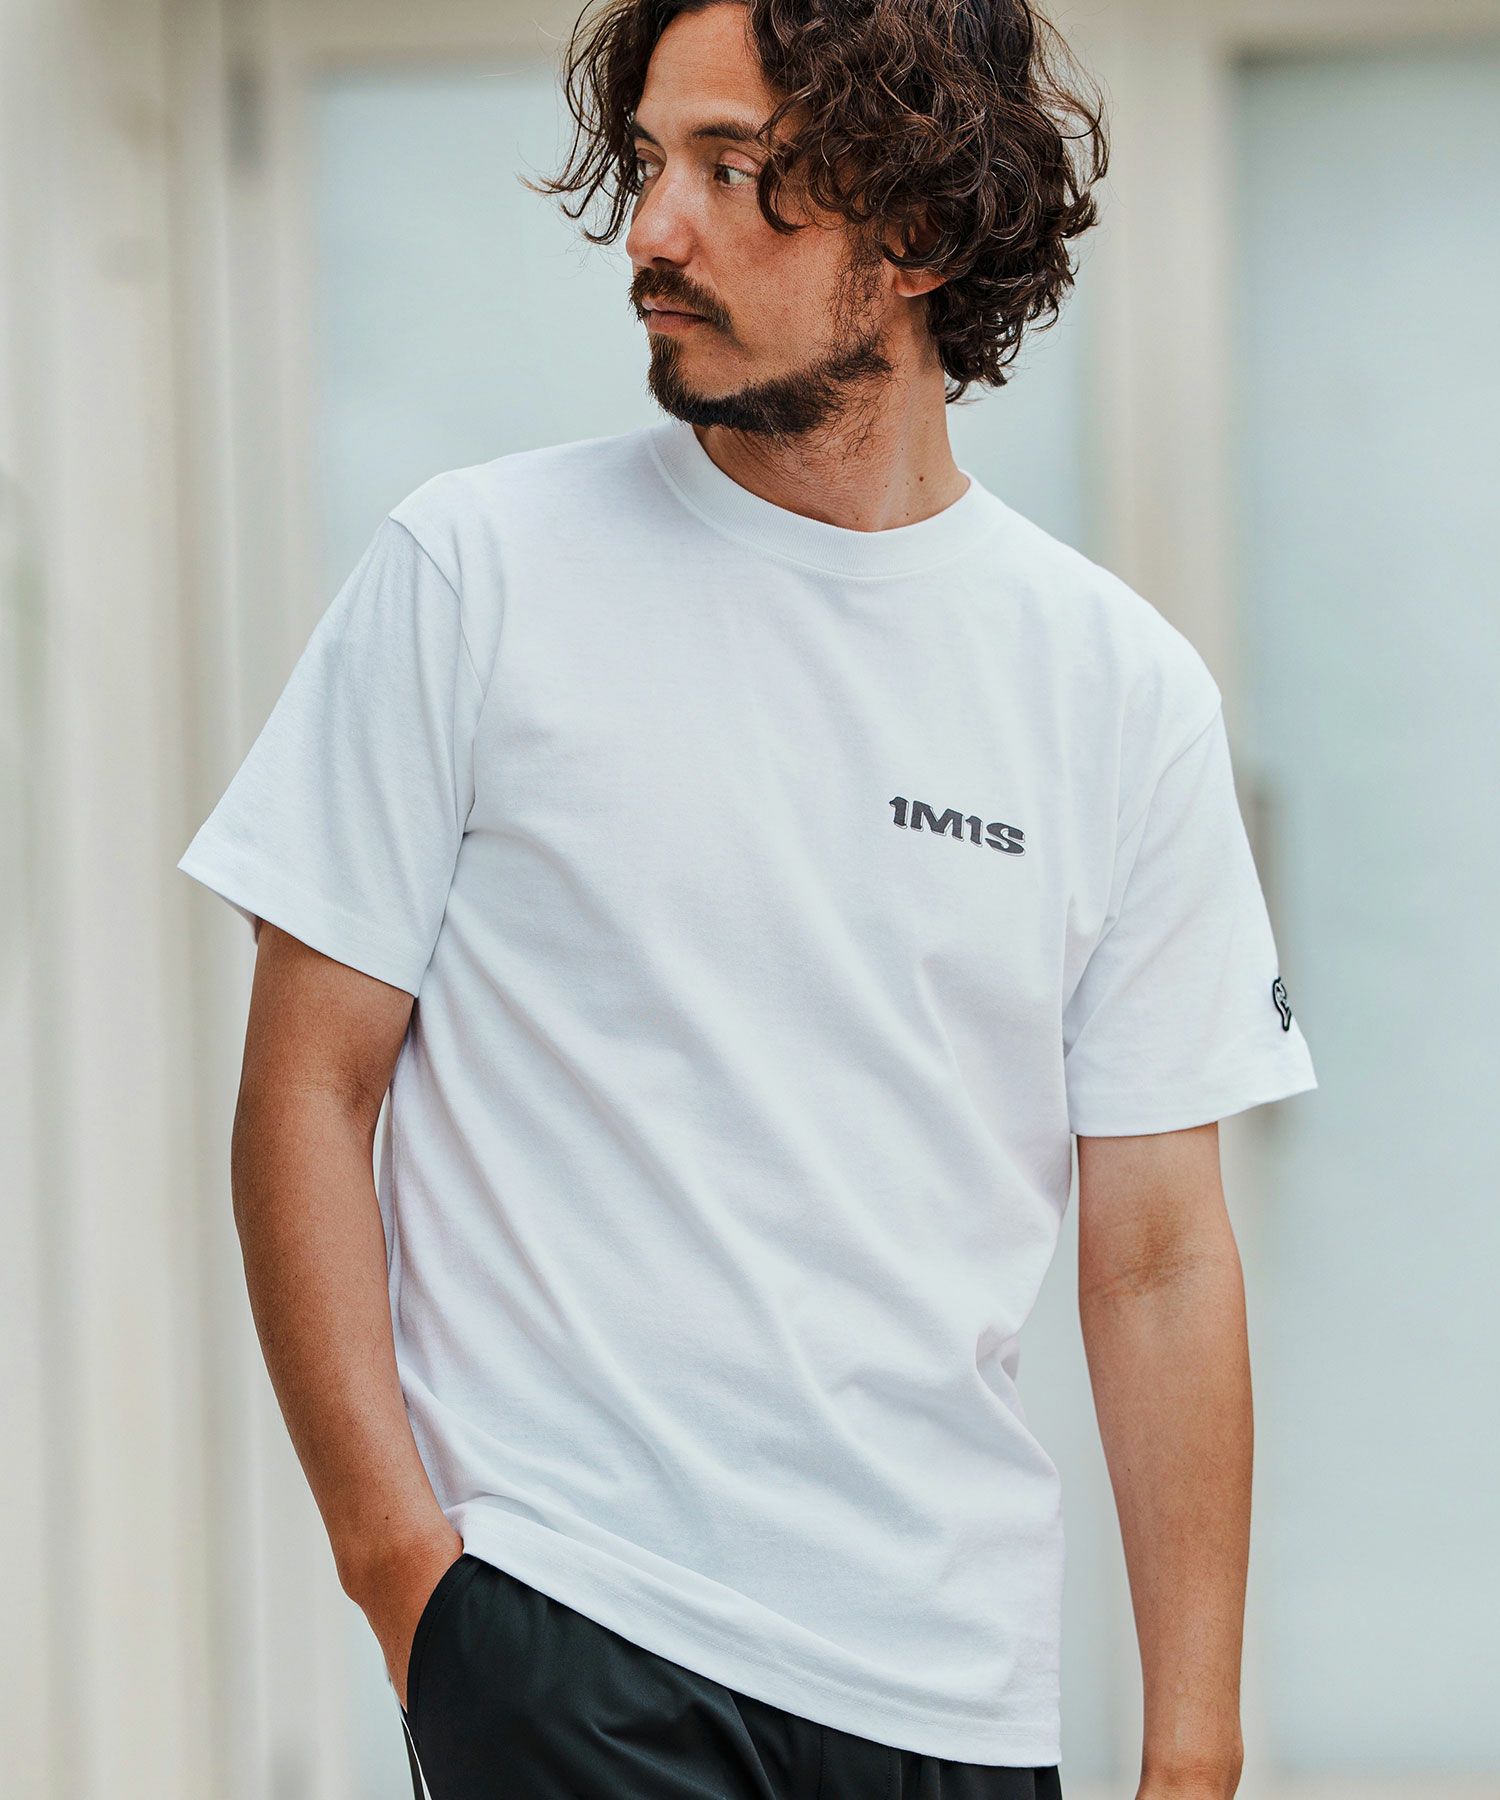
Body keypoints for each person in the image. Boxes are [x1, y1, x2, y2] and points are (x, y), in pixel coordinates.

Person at [176, 0, 1317, 1795]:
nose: (654, 229)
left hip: (950, 1692)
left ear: (919, 231)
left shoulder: (1118, 690)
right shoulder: (475, 574)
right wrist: (407, 1580)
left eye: (734, 170)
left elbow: (1161, 1255)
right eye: (650, 161)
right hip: (573, 1627)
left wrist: (1193, 1748)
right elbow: (308, 1089)